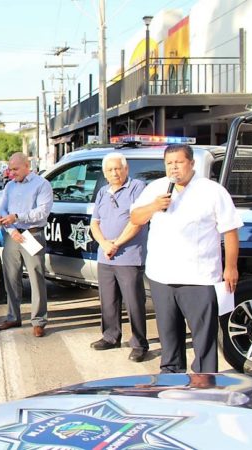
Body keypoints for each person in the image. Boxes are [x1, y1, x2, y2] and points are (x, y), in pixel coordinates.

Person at [131, 143, 242, 373]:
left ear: (191, 163)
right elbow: (136, 217)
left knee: (203, 337)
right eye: (169, 163)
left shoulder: (212, 191)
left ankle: (205, 380)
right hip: (162, 276)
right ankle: (171, 376)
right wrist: (154, 206)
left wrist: (231, 267)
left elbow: (230, 231)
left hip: (198, 278)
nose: (174, 168)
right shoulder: (156, 188)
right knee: (169, 334)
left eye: (179, 162)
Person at [88, 152, 149, 362]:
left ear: (126, 169)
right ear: (104, 174)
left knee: (133, 302)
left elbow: (137, 222)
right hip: (105, 255)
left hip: (128, 256)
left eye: (118, 168)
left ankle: (140, 344)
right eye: (110, 170)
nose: (114, 173)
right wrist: (104, 244)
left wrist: (116, 243)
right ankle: (110, 336)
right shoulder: (103, 192)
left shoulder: (137, 188)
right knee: (108, 300)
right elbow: (94, 223)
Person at [0, 152, 53, 337]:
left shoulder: (42, 184)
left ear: (27, 166)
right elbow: (2, 208)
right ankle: (13, 316)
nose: (12, 173)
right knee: (11, 277)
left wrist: (18, 217)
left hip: (32, 234)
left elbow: (42, 212)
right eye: (10, 169)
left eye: (16, 169)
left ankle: (38, 321)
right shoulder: (10, 186)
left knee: (36, 278)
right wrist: (12, 229)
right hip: (13, 234)